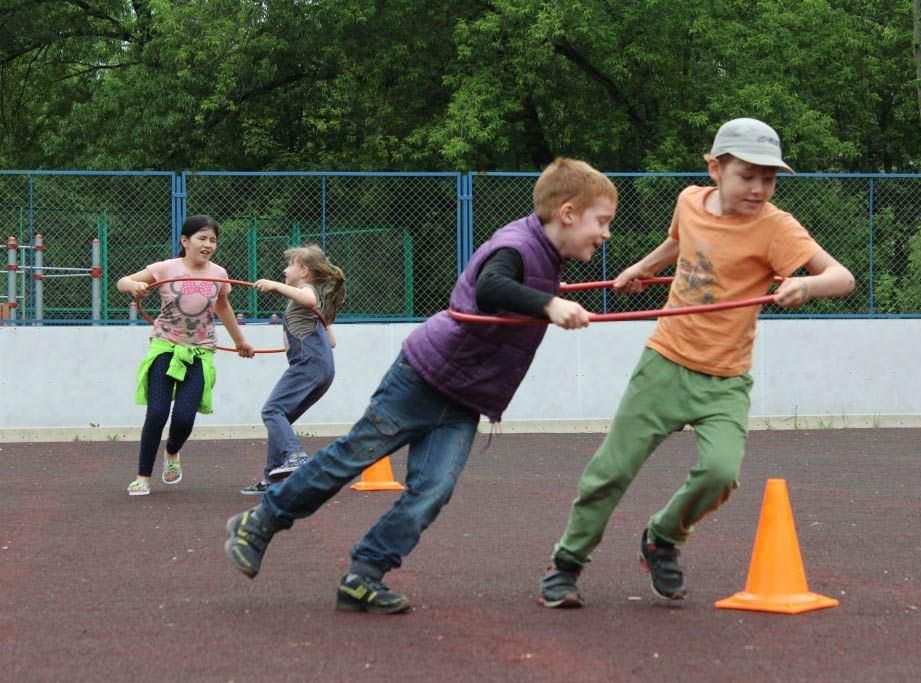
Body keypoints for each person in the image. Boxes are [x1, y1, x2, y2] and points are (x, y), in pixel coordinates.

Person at [224, 157, 616, 614]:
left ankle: (363, 576)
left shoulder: (545, 255)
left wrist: (566, 291)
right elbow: (491, 287)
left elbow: (515, 288)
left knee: (432, 490)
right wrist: (549, 304)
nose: (606, 233)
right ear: (567, 213)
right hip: (423, 378)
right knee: (351, 457)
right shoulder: (515, 246)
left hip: (465, 396)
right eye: (602, 222)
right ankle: (260, 522)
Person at [538, 118, 856, 608]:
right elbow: (679, 242)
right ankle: (566, 565)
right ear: (716, 168)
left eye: (768, 179)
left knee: (720, 473)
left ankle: (662, 537)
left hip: (725, 378)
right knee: (611, 469)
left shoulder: (777, 227)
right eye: (747, 176)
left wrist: (805, 285)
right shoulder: (689, 201)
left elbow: (842, 277)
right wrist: (643, 269)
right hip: (666, 361)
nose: (758, 189)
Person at [118, 214, 255, 497]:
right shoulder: (166, 268)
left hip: (200, 351)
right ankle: (142, 476)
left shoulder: (218, 273)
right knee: (156, 413)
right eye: (202, 238)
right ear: (185, 240)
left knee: (184, 417)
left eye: (213, 240)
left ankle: (172, 451)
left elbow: (223, 308)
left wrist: (241, 341)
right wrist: (133, 286)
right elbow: (123, 281)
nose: (208, 245)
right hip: (165, 346)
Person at [240, 244, 347, 496]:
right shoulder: (313, 299)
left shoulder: (307, 291)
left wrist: (275, 286)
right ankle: (272, 478)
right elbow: (331, 342)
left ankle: (296, 456)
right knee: (280, 417)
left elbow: (307, 298)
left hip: (308, 364)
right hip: (322, 368)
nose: (284, 270)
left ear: (304, 271)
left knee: (272, 410)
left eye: (290, 265)